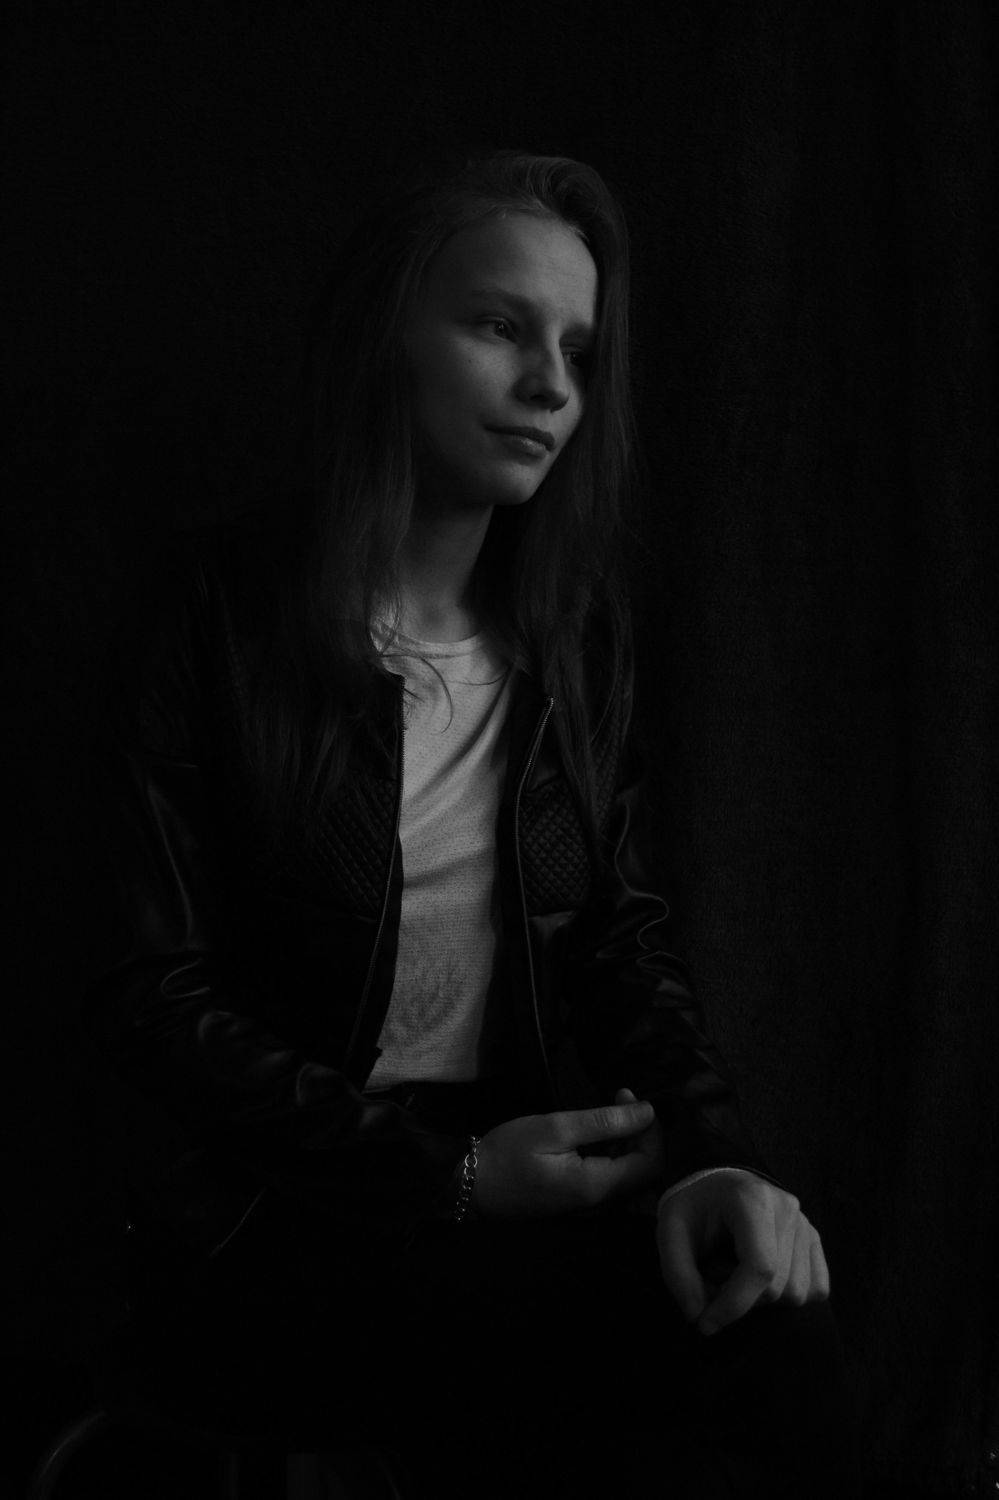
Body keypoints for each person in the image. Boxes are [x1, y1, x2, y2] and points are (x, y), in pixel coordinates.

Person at [83, 150, 860, 1497]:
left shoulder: (573, 642)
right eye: (501, 326)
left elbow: (619, 938)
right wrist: (444, 1177)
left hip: (517, 1167)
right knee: (544, 1377)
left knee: (772, 1316)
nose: (552, 386)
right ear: (387, 336)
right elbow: (154, 997)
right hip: (268, 1210)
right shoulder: (212, 615)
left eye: (579, 352)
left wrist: (714, 1163)